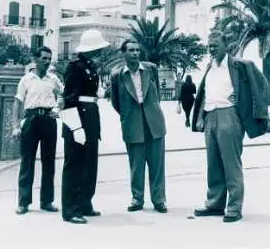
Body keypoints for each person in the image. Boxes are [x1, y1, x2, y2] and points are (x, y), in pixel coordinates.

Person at [192, 30, 269, 223]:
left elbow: (262, 85)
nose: (212, 48)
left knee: (230, 163)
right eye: (209, 45)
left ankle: (234, 207)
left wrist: (243, 101)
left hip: (229, 115)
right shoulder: (210, 66)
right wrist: (201, 116)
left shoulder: (240, 65)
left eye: (215, 45)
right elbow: (205, 92)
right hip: (210, 117)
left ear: (226, 45)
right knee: (213, 163)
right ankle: (214, 204)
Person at [110, 39, 167, 213]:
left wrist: (152, 109)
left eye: (137, 50)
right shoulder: (117, 75)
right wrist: (128, 116)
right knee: (136, 164)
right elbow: (116, 102)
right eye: (131, 50)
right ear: (124, 53)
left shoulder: (150, 69)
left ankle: (159, 200)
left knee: (157, 164)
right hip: (132, 123)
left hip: (154, 122)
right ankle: (137, 198)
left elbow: (156, 92)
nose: (135, 53)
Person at [60, 29, 109, 224]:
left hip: (90, 118)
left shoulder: (90, 66)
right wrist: (75, 127)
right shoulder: (75, 67)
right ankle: (70, 210)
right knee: (74, 165)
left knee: (90, 163)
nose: (100, 51)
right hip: (78, 118)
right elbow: (69, 98)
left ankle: (84, 202)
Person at [12, 46, 63, 215]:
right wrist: (15, 126)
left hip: (48, 120)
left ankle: (47, 201)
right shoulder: (26, 80)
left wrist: (58, 109)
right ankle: (23, 202)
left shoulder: (53, 79)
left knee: (49, 162)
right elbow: (18, 103)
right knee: (27, 162)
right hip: (31, 120)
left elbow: (64, 95)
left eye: (49, 59)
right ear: (36, 59)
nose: (47, 61)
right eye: (44, 58)